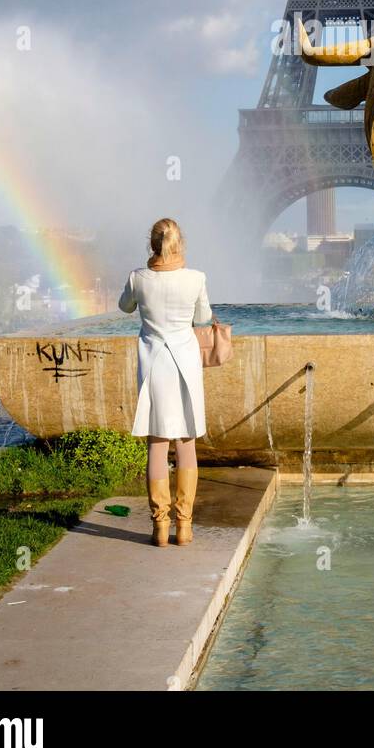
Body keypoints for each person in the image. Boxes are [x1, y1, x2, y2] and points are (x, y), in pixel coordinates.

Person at [118, 218, 212, 547]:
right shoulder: (196, 278)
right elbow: (202, 319)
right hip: (185, 364)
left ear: (152, 244)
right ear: (179, 243)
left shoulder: (137, 278)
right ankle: (184, 526)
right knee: (186, 444)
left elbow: (124, 306)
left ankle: (160, 527)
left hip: (154, 364)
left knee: (157, 446)